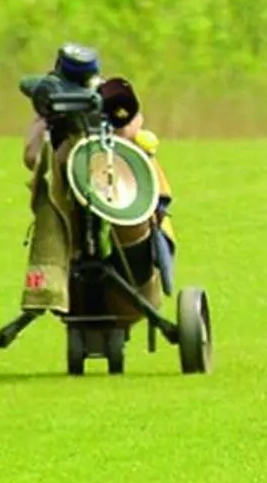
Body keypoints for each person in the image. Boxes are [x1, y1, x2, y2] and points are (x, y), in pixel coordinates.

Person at [18, 41, 175, 316]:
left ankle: (125, 285)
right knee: (59, 213)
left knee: (131, 226)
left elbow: (132, 122)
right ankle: (64, 279)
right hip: (71, 189)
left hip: (114, 181)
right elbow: (33, 157)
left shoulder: (112, 99)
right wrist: (55, 129)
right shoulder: (49, 109)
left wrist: (112, 128)